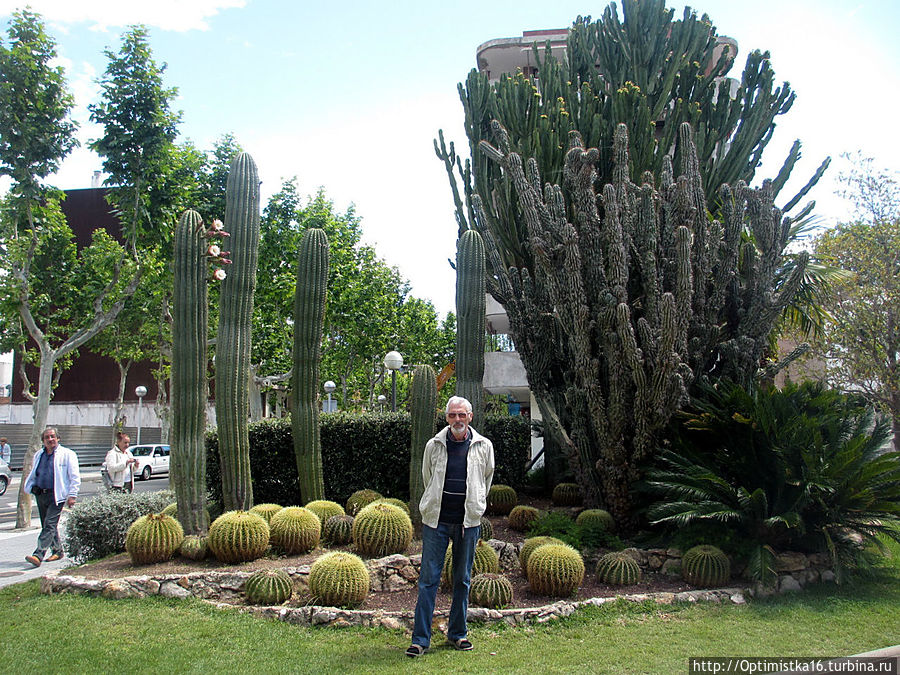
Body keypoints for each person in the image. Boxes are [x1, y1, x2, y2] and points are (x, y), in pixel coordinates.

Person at [406, 396, 494, 657]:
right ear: (446, 418)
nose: (457, 420)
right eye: (452, 415)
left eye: (462, 415)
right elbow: (427, 477)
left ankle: (458, 634)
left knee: (462, 580)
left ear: (470, 417)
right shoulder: (434, 445)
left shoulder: (484, 446)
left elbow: (486, 478)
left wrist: (476, 504)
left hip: (468, 523)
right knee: (428, 581)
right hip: (437, 522)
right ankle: (420, 639)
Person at [23, 427, 81, 566]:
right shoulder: (39, 454)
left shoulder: (67, 454)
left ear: (58, 438)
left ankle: (38, 554)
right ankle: (57, 551)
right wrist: (30, 487)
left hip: (57, 495)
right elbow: (35, 472)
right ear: (43, 441)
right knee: (48, 525)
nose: (50, 439)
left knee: (49, 525)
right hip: (41, 494)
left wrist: (72, 495)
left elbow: (74, 476)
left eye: (52, 436)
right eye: (47, 437)